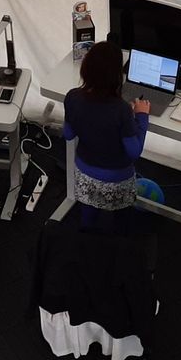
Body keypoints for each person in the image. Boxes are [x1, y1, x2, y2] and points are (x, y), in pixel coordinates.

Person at [62, 41, 150, 223]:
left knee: (88, 219)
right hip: (117, 180)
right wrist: (141, 117)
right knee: (121, 224)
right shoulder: (122, 110)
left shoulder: (72, 97)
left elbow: (68, 134)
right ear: (117, 76)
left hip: (84, 174)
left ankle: (86, 235)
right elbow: (134, 152)